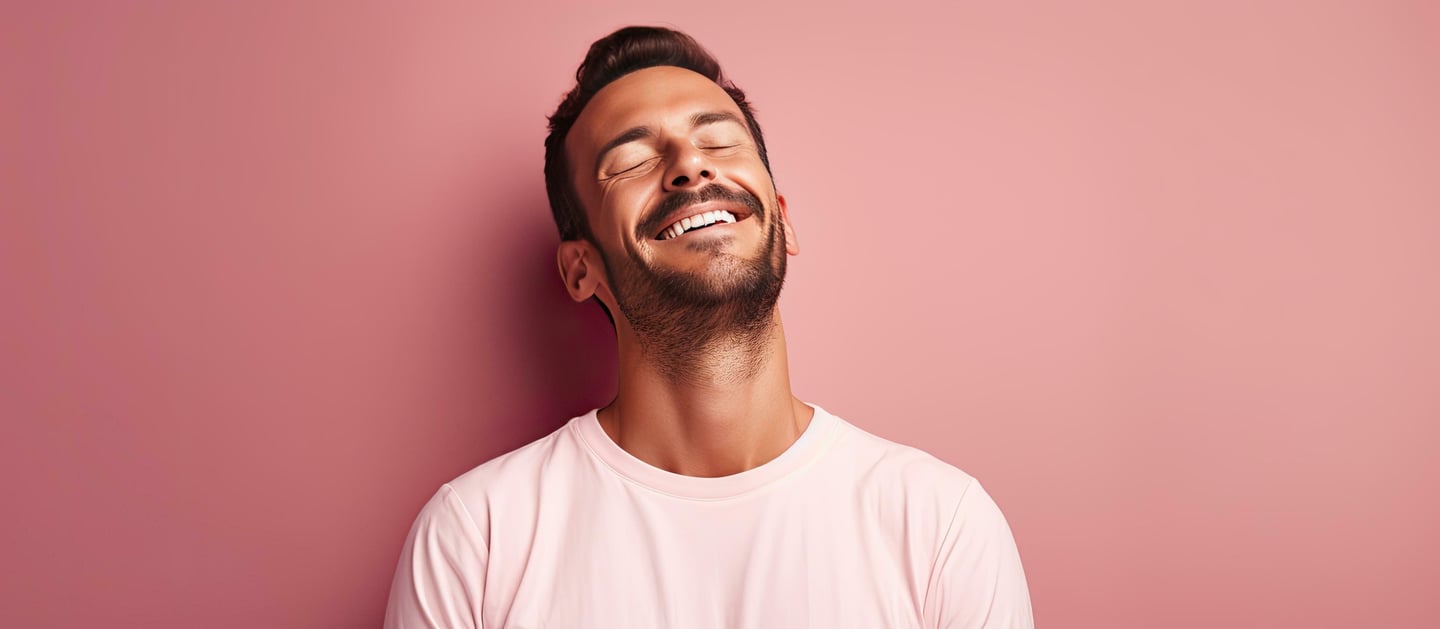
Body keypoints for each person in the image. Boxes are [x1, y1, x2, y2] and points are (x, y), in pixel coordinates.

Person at [383, 26, 1034, 628]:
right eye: (632, 160)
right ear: (580, 269)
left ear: (782, 218)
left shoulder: (940, 525)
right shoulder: (477, 539)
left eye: (719, 142)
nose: (690, 167)